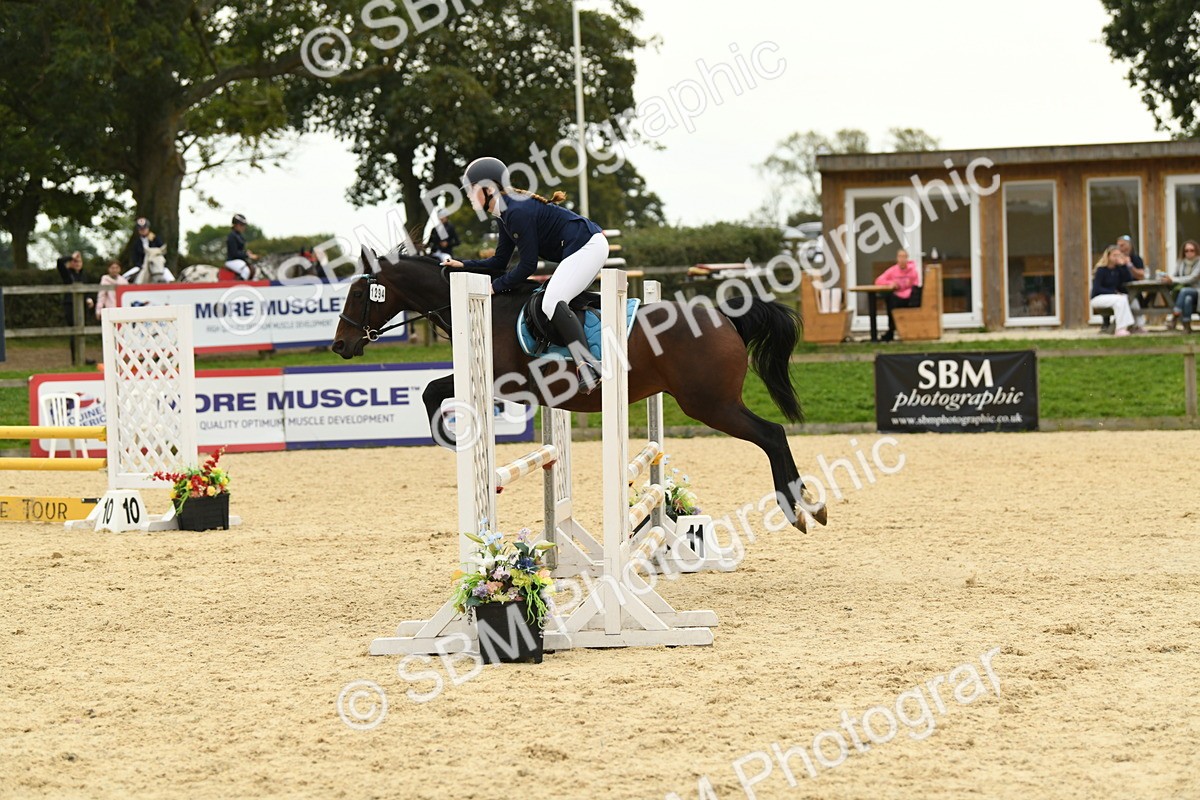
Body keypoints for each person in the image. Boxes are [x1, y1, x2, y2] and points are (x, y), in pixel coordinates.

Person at [443, 157, 607, 393]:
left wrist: (494, 288)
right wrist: (464, 265)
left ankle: (588, 365)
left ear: (488, 189)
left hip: (588, 246)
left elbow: (528, 265)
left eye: (471, 190)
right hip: (581, 247)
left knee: (552, 302)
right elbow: (500, 261)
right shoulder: (504, 213)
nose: (468, 196)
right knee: (554, 297)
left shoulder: (516, 211)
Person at [873, 248, 922, 342]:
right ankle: (891, 331)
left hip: (910, 298)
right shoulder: (893, 270)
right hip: (897, 297)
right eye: (900, 257)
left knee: (917, 296)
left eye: (904, 257)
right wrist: (891, 283)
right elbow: (878, 280)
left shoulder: (913, 271)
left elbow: (915, 284)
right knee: (889, 299)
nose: (902, 259)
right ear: (897, 259)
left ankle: (911, 331)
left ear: (907, 259)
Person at [1091, 245, 1138, 336]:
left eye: (1119, 255)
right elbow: (1097, 289)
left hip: (1113, 297)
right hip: (1098, 298)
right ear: (1108, 256)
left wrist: (1124, 266)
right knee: (1120, 300)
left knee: (1127, 298)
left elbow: (1128, 281)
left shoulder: (1118, 270)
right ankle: (1120, 328)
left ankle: (1130, 326)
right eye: (1114, 255)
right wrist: (1114, 292)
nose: (1117, 257)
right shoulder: (1101, 270)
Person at [1163, 239, 1200, 332]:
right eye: (1186, 250)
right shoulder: (1181, 262)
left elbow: (1192, 278)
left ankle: (1175, 316)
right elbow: (1175, 275)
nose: (1189, 253)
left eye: (1192, 250)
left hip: (1196, 291)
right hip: (1185, 294)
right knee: (1187, 299)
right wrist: (1168, 278)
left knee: (1184, 291)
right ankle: (1187, 326)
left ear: (1196, 251)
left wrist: (1174, 280)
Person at [125, 217, 165, 281]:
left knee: (170, 278)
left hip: (156, 266)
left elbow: (162, 251)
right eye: (140, 229)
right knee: (125, 277)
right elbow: (134, 257)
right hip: (141, 266)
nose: (143, 230)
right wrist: (140, 265)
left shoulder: (156, 239)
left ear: (148, 228)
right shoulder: (136, 243)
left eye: (144, 228)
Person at [219, 213, 257, 281]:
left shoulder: (239, 236)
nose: (243, 227)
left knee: (253, 269)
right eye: (241, 225)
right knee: (246, 271)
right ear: (236, 225)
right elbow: (234, 253)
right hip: (232, 261)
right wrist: (247, 254)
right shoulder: (232, 236)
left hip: (239, 261)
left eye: (244, 225)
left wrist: (247, 253)